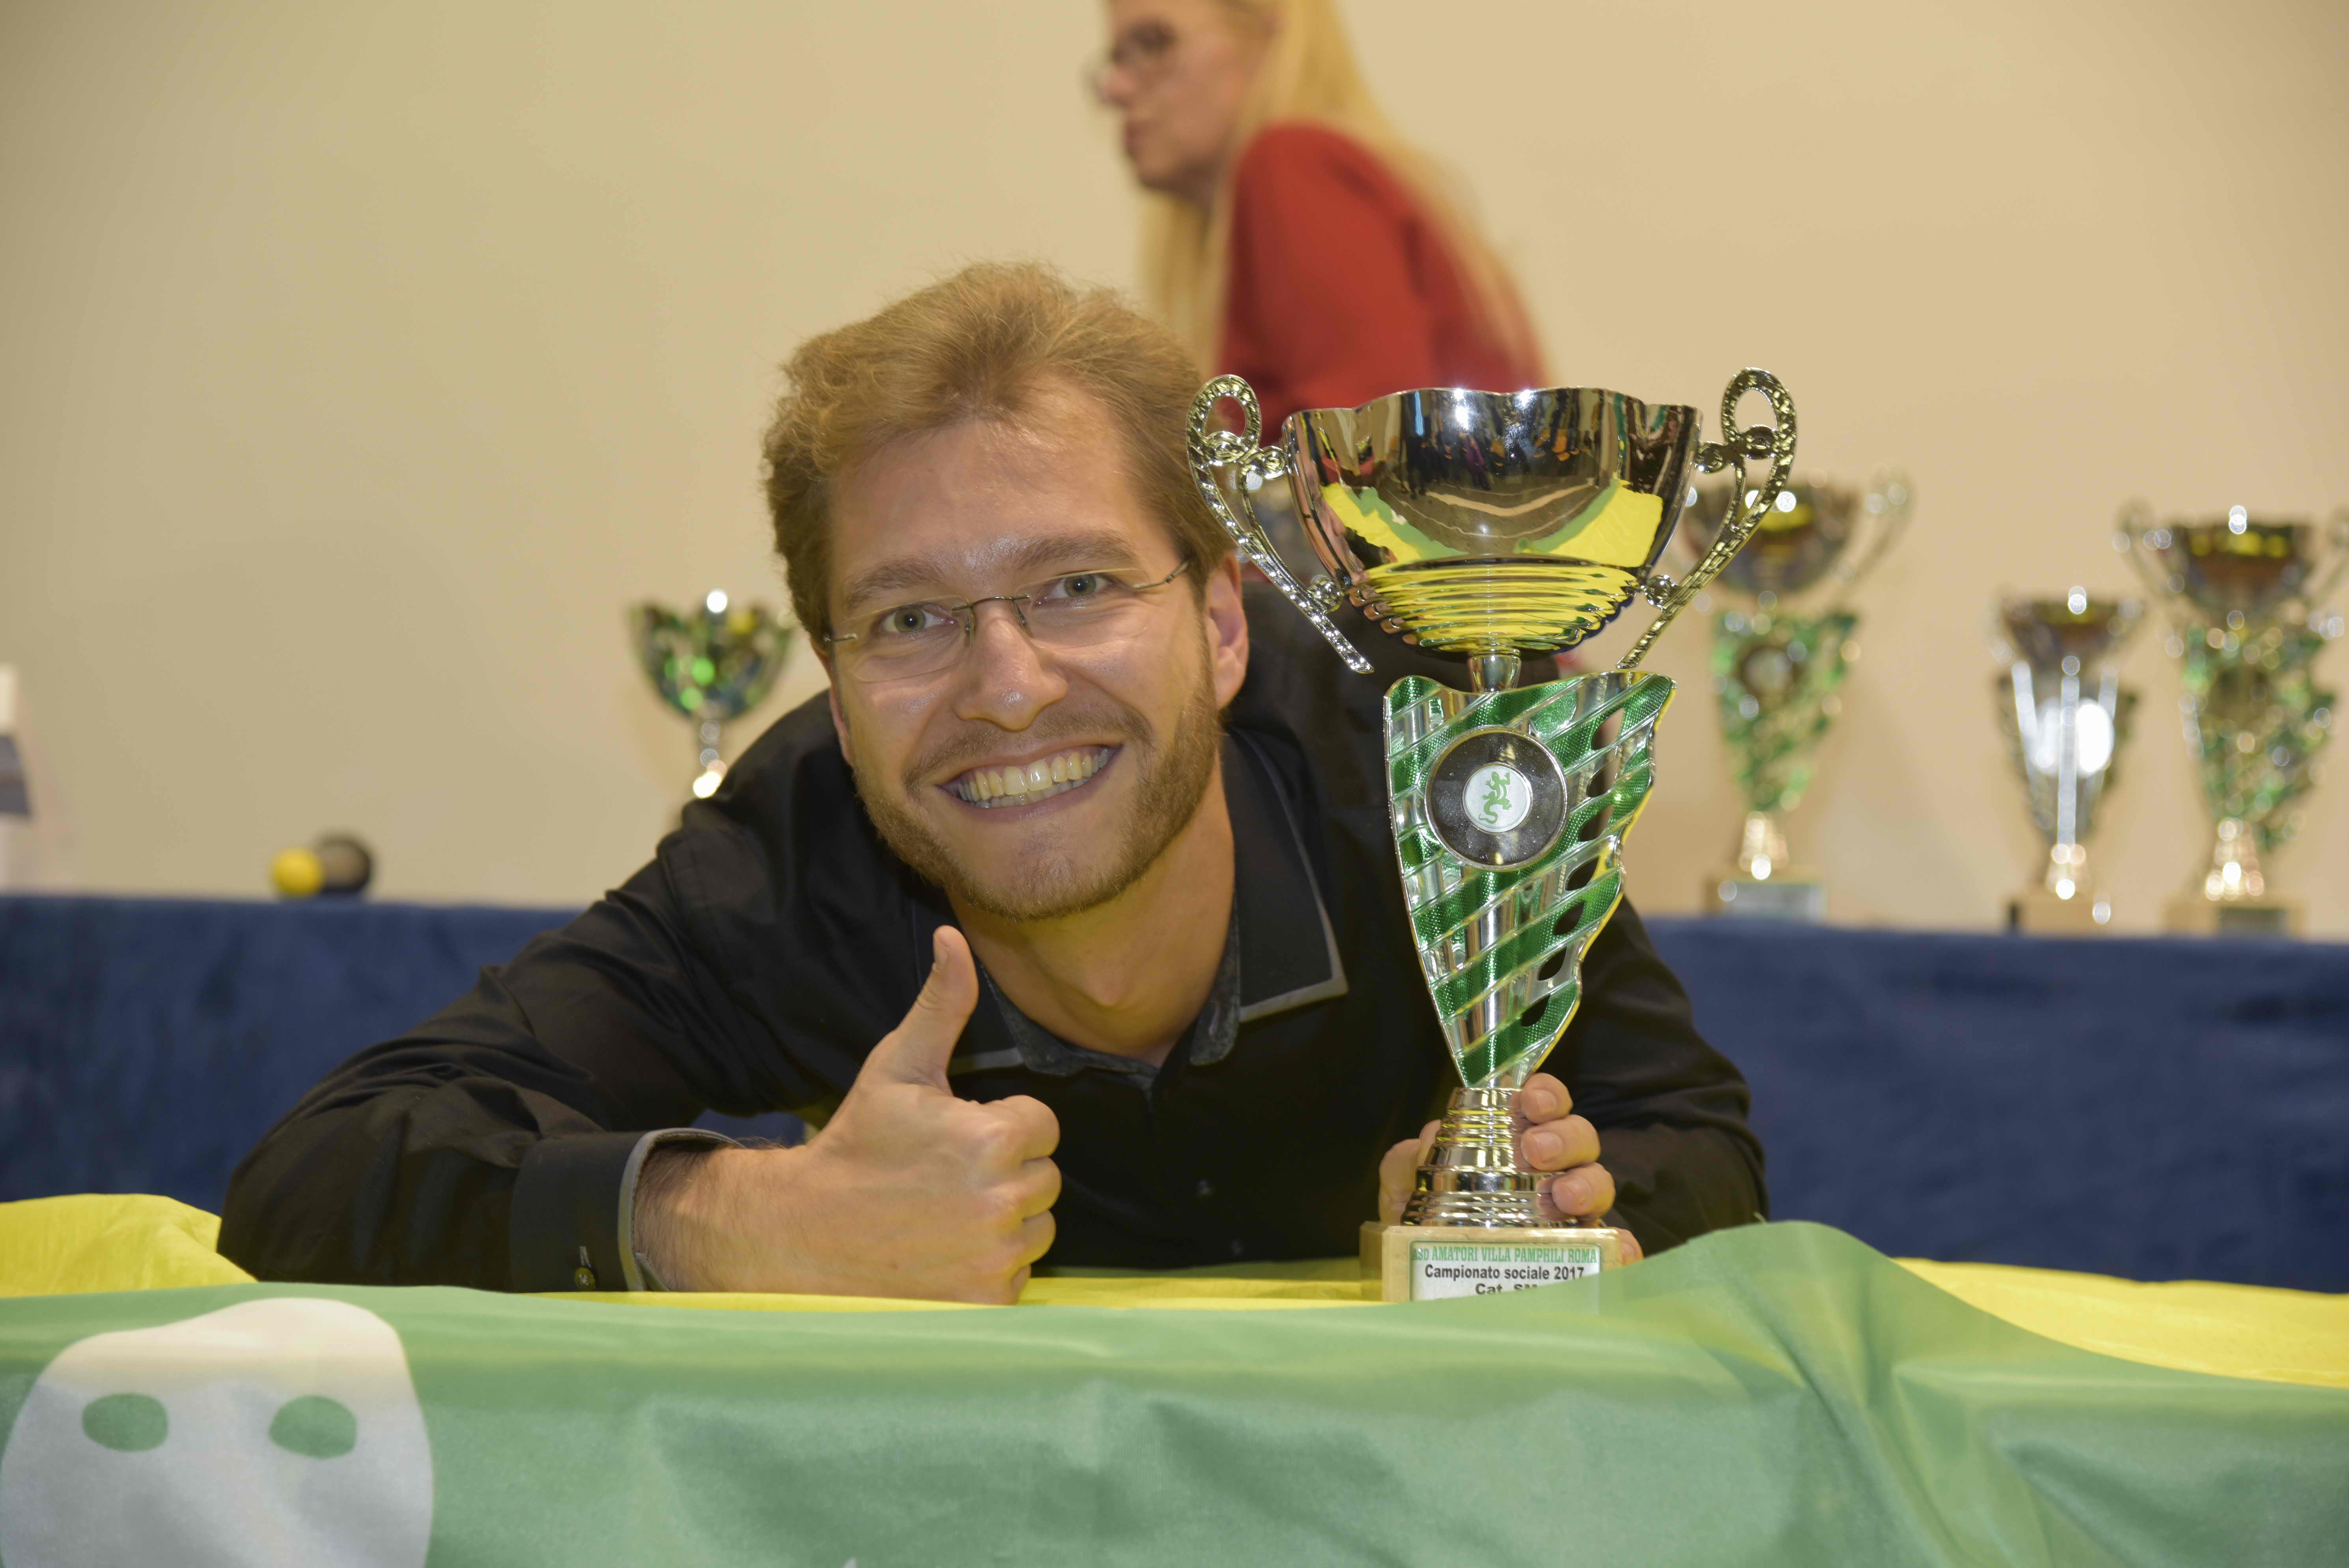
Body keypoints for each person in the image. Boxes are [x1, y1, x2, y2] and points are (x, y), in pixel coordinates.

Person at [220, 263, 1764, 1302]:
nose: (1006, 685)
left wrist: (1562, 1204)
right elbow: (315, 1174)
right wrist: (746, 1217)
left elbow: (1694, 1143)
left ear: (1222, 622)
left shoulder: (1419, 773)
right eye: (908, 618)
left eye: (1078, 585)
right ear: (834, 683)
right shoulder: (786, 861)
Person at [1093, 0, 1542, 438]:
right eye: (1116, 58)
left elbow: (1367, 451)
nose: (1114, 87)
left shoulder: (1293, 165)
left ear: (1267, 31)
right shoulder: (1324, 175)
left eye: (1153, 42)